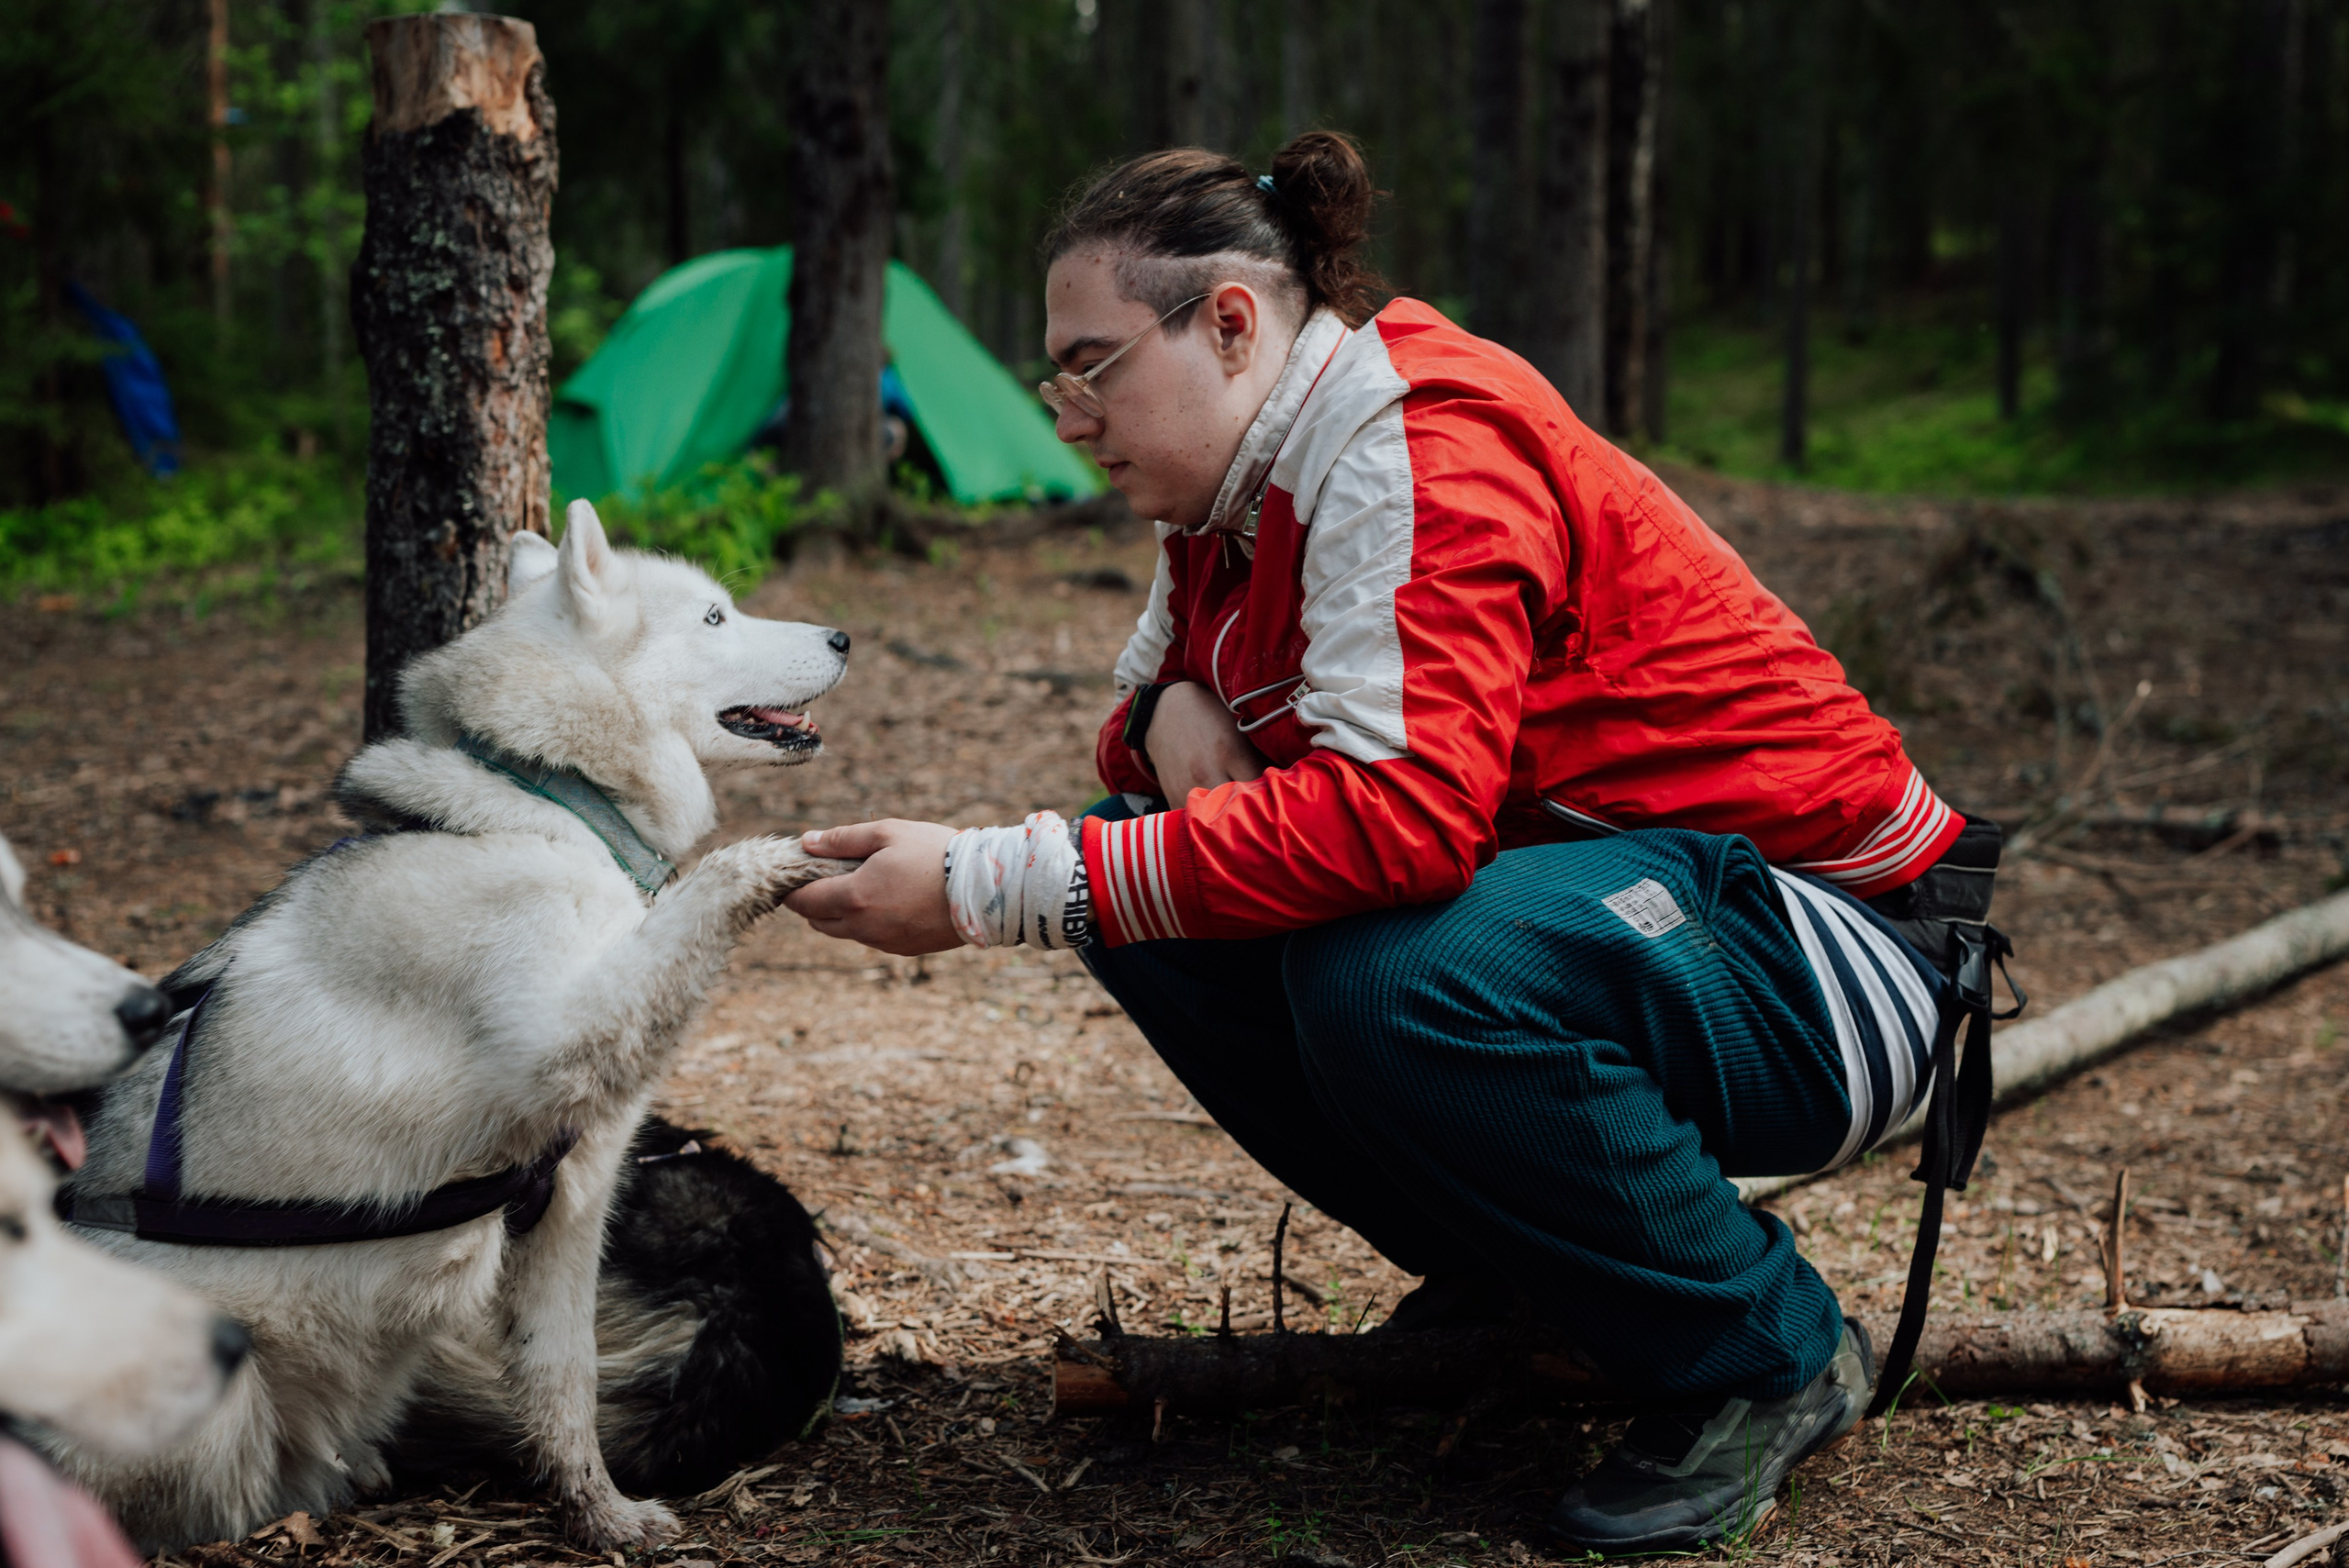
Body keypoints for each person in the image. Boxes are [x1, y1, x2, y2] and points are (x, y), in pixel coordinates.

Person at [783, 131, 2010, 1554]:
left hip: (1844, 943)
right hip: (1661, 912)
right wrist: (1179, 718)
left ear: (1230, 324)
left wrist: (989, 882)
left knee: (1389, 968)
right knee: (1155, 884)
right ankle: (1533, 1277)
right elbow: (1137, 718)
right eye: (1058, 379)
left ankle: (1765, 1347)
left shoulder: (1414, 444)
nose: (1070, 417)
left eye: (1094, 365)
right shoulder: (1233, 496)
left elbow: (1403, 825)